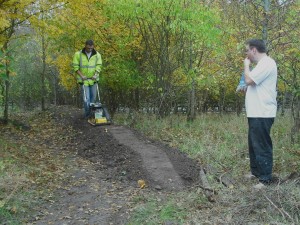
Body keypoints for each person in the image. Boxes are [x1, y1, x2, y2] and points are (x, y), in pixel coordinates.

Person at [242, 39, 278, 189]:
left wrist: (246, 67)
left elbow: (249, 79)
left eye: (247, 51)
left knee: (262, 145)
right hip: (255, 112)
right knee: (253, 144)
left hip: (263, 112)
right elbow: (252, 84)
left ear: (254, 50)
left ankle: (265, 179)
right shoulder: (261, 65)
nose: (246, 54)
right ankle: (256, 172)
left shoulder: (267, 63)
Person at [72, 40, 102, 118]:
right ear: (85, 46)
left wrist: (96, 75)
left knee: (93, 98)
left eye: (91, 48)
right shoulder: (78, 54)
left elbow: (99, 66)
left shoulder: (97, 55)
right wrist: (82, 75)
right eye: (88, 48)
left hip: (93, 80)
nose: (90, 50)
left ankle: (92, 114)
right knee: (86, 99)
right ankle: (87, 114)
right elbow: (75, 67)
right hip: (84, 80)